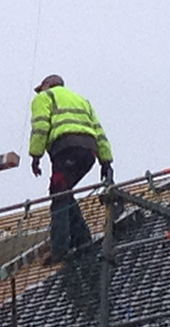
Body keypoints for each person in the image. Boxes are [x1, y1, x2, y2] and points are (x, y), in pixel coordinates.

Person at [29, 75, 114, 263]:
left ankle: (60, 248)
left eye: (41, 87)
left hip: (66, 149)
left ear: (48, 85)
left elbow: (41, 126)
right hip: (88, 153)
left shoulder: (45, 97)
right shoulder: (82, 101)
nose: (40, 91)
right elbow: (99, 132)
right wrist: (106, 162)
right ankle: (82, 240)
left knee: (59, 194)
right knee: (63, 192)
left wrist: (36, 155)